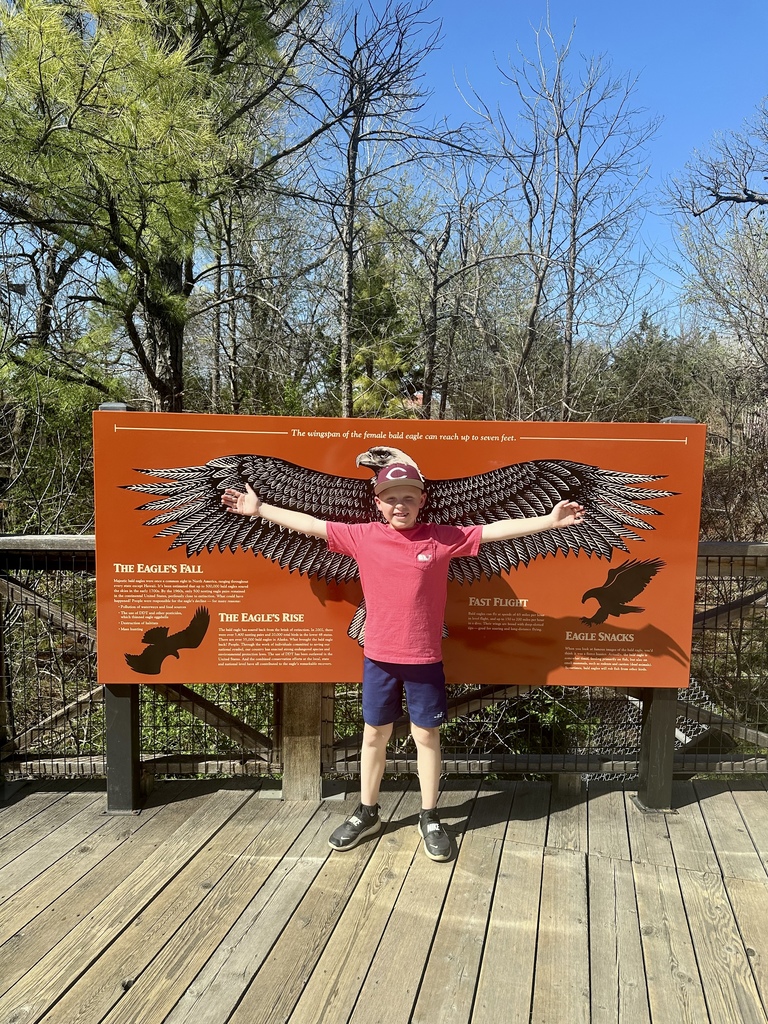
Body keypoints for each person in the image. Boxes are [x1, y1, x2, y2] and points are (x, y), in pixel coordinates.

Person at [222, 462, 584, 862]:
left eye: (409, 497)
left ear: (422, 501)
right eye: (391, 498)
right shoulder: (361, 536)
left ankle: (429, 816)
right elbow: (311, 524)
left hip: (425, 659)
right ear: (377, 503)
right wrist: (259, 510)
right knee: (373, 735)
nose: (400, 505)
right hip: (378, 659)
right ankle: (367, 812)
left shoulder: (442, 538)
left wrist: (549, 522)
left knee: (426, 736)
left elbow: (494, 531)